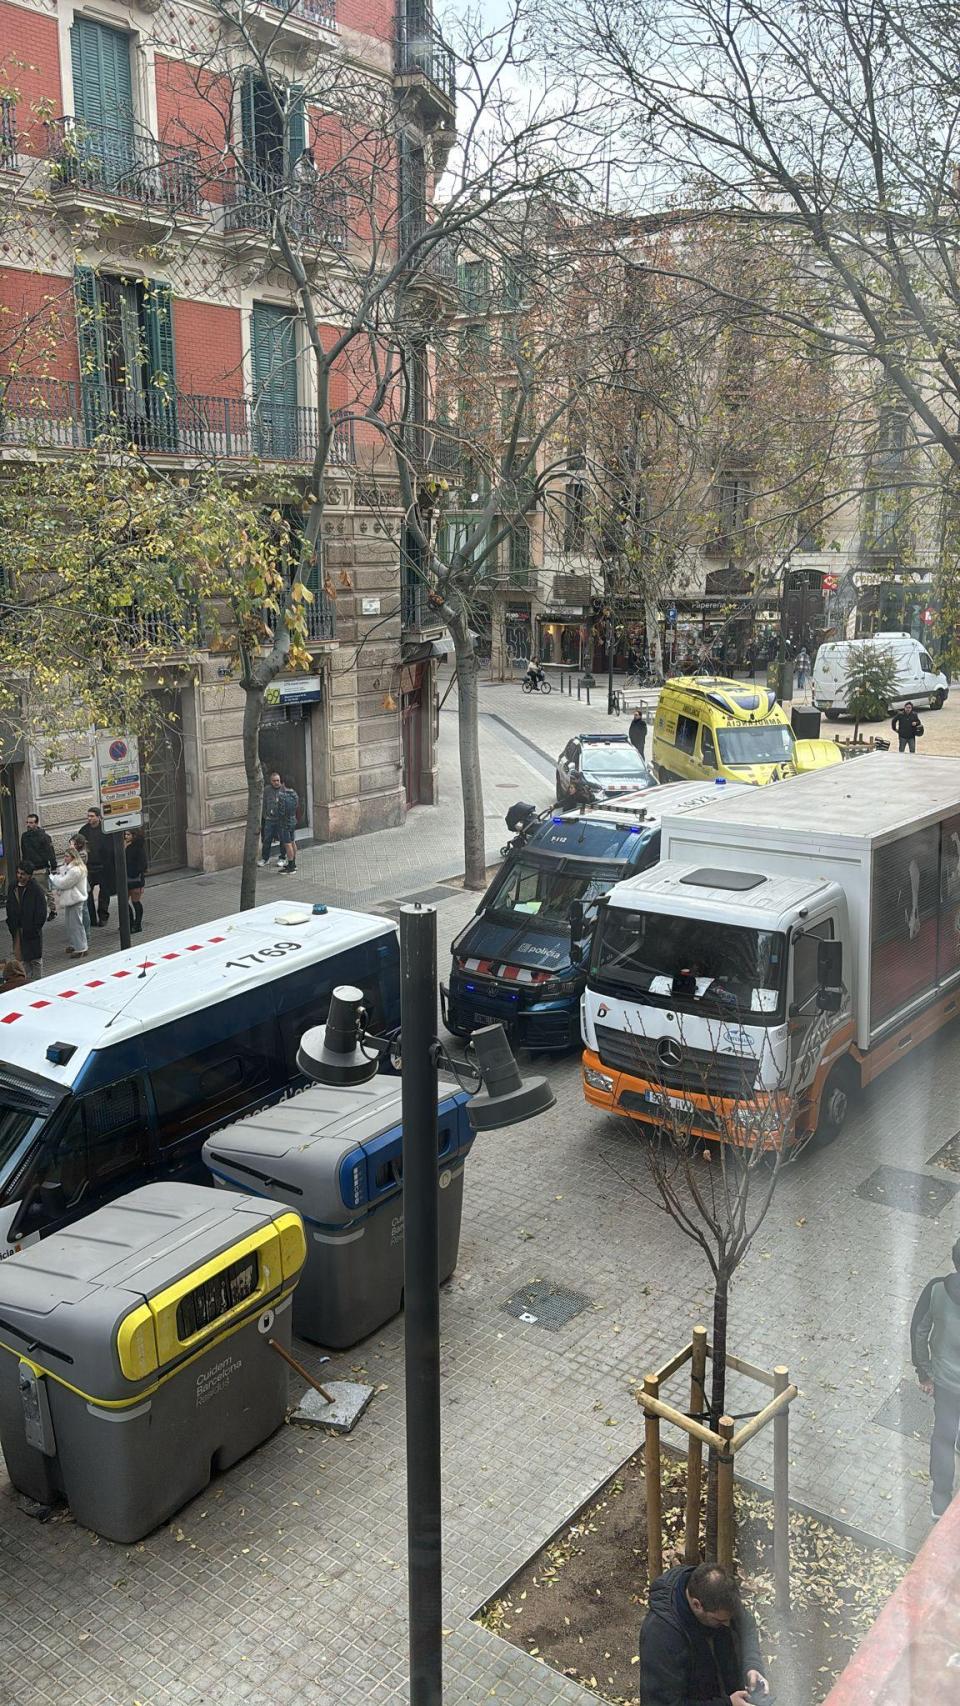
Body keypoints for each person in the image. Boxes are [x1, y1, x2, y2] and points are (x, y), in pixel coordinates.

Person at [638, 1561, 768, 1706]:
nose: (727, 1625)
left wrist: (752, 1666)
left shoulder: (719, 1596)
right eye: (720, 1621)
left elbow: (746, 1625)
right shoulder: (660, 1635)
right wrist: (727, 1704)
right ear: (696, 1605)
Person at [911, 1235, 960, 1519]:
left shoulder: (936, 1290)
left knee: (942, 1436)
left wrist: (924, 1372)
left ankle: (940, 1502)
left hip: (944, 1383)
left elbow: (919, 1330)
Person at [5, 863, 48, 981]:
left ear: (29, 876)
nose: (19, 876)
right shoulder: (12, 887)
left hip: (31, 930)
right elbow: (9, 906)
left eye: (23, 874)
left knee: (35, 960)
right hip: (18, 930)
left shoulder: (36, 890)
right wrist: (11, 924)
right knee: (22, 960)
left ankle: (38, 983)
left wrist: (35, 928)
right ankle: (26, 982)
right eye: (18, 873)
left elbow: (41, 912)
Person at [49, 840, 89, 958]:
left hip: (76, 899)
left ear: (73, 857)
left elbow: (63, 883)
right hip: (70, 899)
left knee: (76, 925)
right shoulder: (68, 868)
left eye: (67, 856)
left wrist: (53, 878)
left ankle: (81, 948)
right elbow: (62, 878)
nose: (65, 858)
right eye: (65, 856)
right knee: (70, 924)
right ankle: (74, 944)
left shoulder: (76, 870)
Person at [20, 814, 57, 919]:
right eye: (27, 822)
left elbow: (51, 853)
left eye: (31, 823)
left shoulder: (44, 836)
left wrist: (54, 867)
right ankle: (37, 912)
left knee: (46, 891)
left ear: (36, 823)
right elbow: (24, 852)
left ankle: (53, 910)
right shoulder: (24, 836)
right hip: (29, 869)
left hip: (41, 868)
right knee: (32, 892)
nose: (28, 825)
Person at [78, 806, 110, 926]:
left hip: (104, 866)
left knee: (104, 892)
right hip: (89, 867)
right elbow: (78, 845)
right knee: (87, 892)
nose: (89, 818)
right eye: (88, 816)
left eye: (92, 816)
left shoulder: (105, 829)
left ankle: (103, 916)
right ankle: (91, 918)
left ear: (98, 817)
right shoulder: (84, 830)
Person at [124, 828, 148, 933]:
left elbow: (142, 865)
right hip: (126, 878)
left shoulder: (138, 848)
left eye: (128, 834)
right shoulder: (125, 846)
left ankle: (137, 924)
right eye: (125, 834)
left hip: (135, 879)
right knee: (124, 902)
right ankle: (128, 923)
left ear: (134, 836)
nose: (126, 836)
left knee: (135, 902)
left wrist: (133, 873)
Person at [259, 772, 284, 867]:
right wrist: (266, 815)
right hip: (270, 819)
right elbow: (264, 803)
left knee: (282, 839)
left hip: (280, 819)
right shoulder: (267, 790)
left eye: (278, 780)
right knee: (267, 839)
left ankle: (282, 858)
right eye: (274, 781)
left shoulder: (283, 789)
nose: (276, 782)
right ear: (271, 781)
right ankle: (265, 858)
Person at [276, 778, 299, 875]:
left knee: (287, 843)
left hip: (285, 822)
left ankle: (290, 866)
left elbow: (281, 811)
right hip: (293, 820)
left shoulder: (282, 796)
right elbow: (296, 806)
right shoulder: (295, 794)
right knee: (292, 841)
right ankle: (293, 863)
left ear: (284, 784)